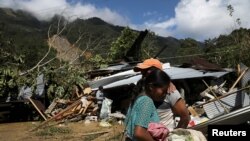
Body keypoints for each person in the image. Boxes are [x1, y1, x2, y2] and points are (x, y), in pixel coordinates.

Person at [133, 58, 190, 130]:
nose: (143, 76)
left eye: (145, 72)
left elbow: (185, 117)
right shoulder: (141, 88)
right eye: (142, 73)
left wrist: (174, 135)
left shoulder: (170, 92)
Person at [125, 69, 171, 141]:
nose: (165, 94)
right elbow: (139, 133)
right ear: (151, 87)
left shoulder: (139, 98)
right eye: (163, 91)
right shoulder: (146, 101)